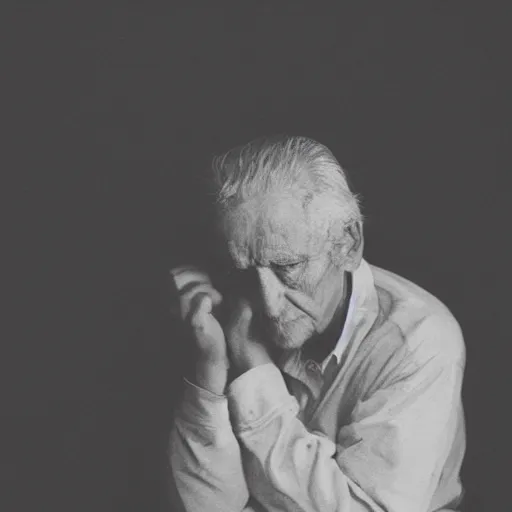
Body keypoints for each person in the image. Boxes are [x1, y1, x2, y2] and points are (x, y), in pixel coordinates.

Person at [168, 135, 466, 512]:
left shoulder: (421, 339)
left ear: (348, 243)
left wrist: (256, 376)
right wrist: (207, 376)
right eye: (243, 271)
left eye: (287, 266)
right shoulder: (229, 309)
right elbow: (208, 506)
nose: (268, 304)